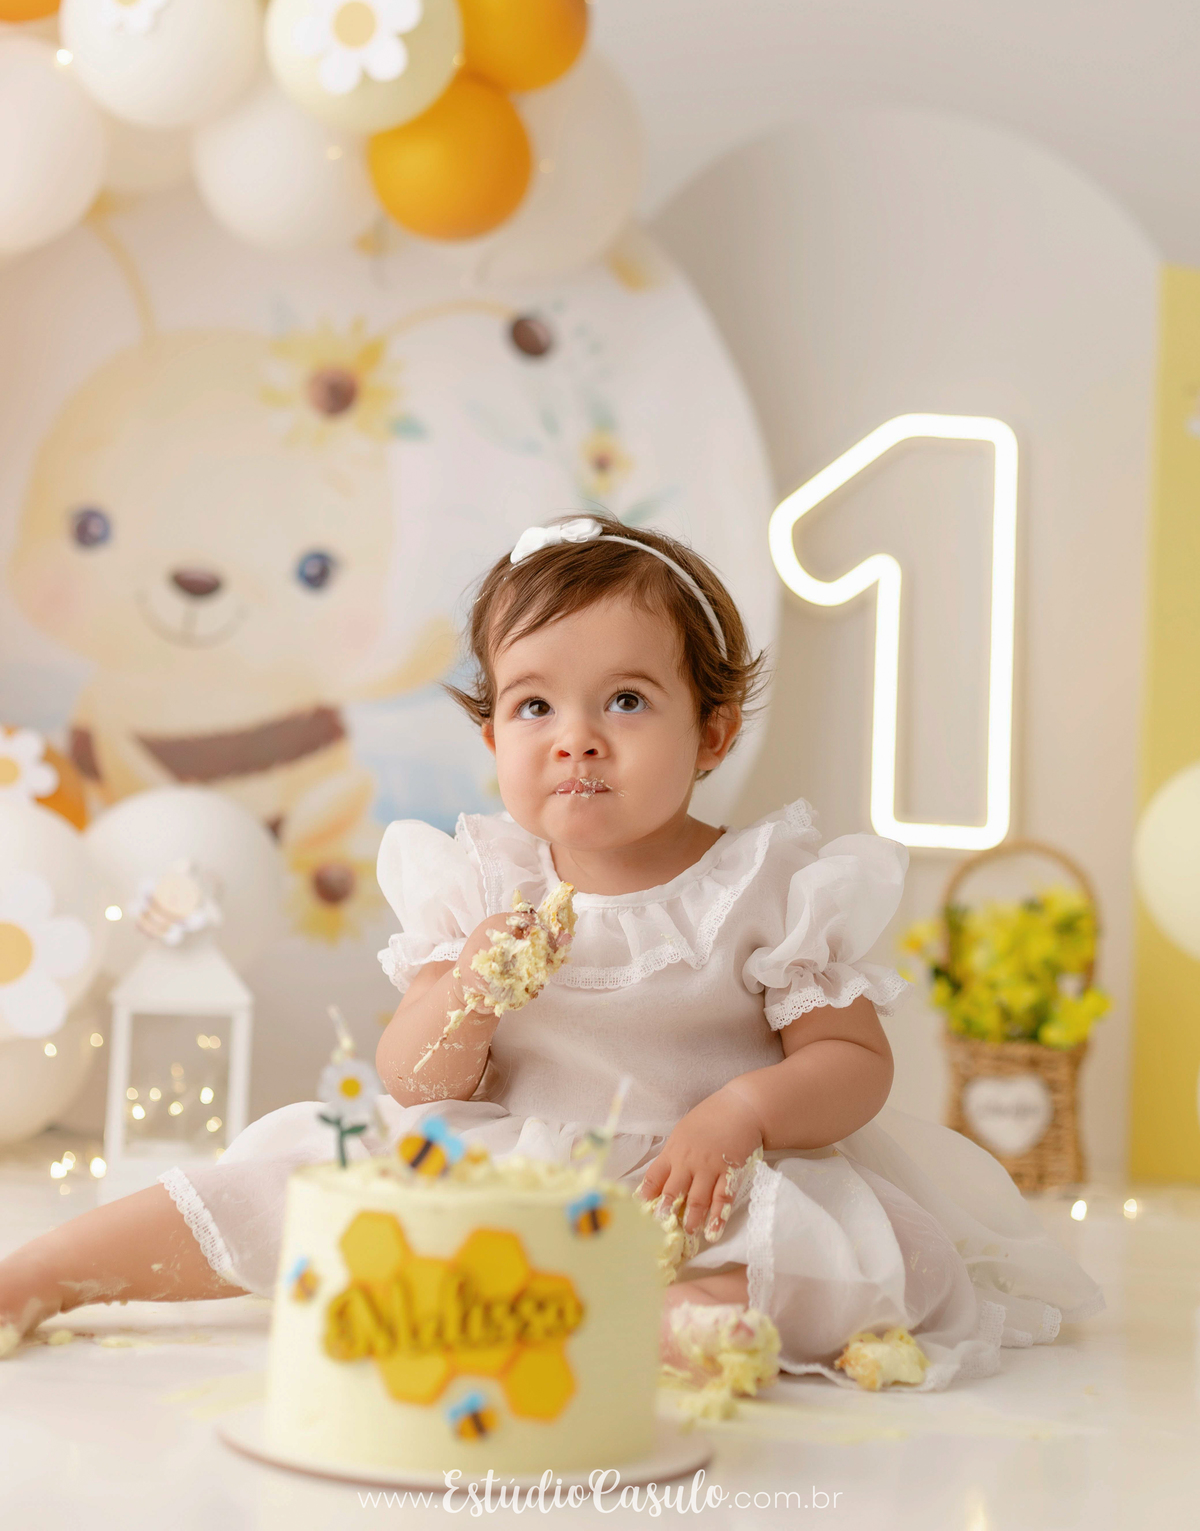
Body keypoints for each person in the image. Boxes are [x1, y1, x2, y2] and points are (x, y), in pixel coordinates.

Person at [0, 513, 1104, 1389]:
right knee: (296, 1172)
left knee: (873, 1260)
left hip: (690, 1183)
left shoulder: (767, 884)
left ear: (712, 732)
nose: (577, 737)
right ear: (491, 737)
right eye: (534, 706)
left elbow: (854, 1063)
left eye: (626, 699)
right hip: (501, 1166)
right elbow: (413, 1079)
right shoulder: (484, 881)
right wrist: (469, 990)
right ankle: (49, 1272)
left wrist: (745, 1112)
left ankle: (639, 1318)